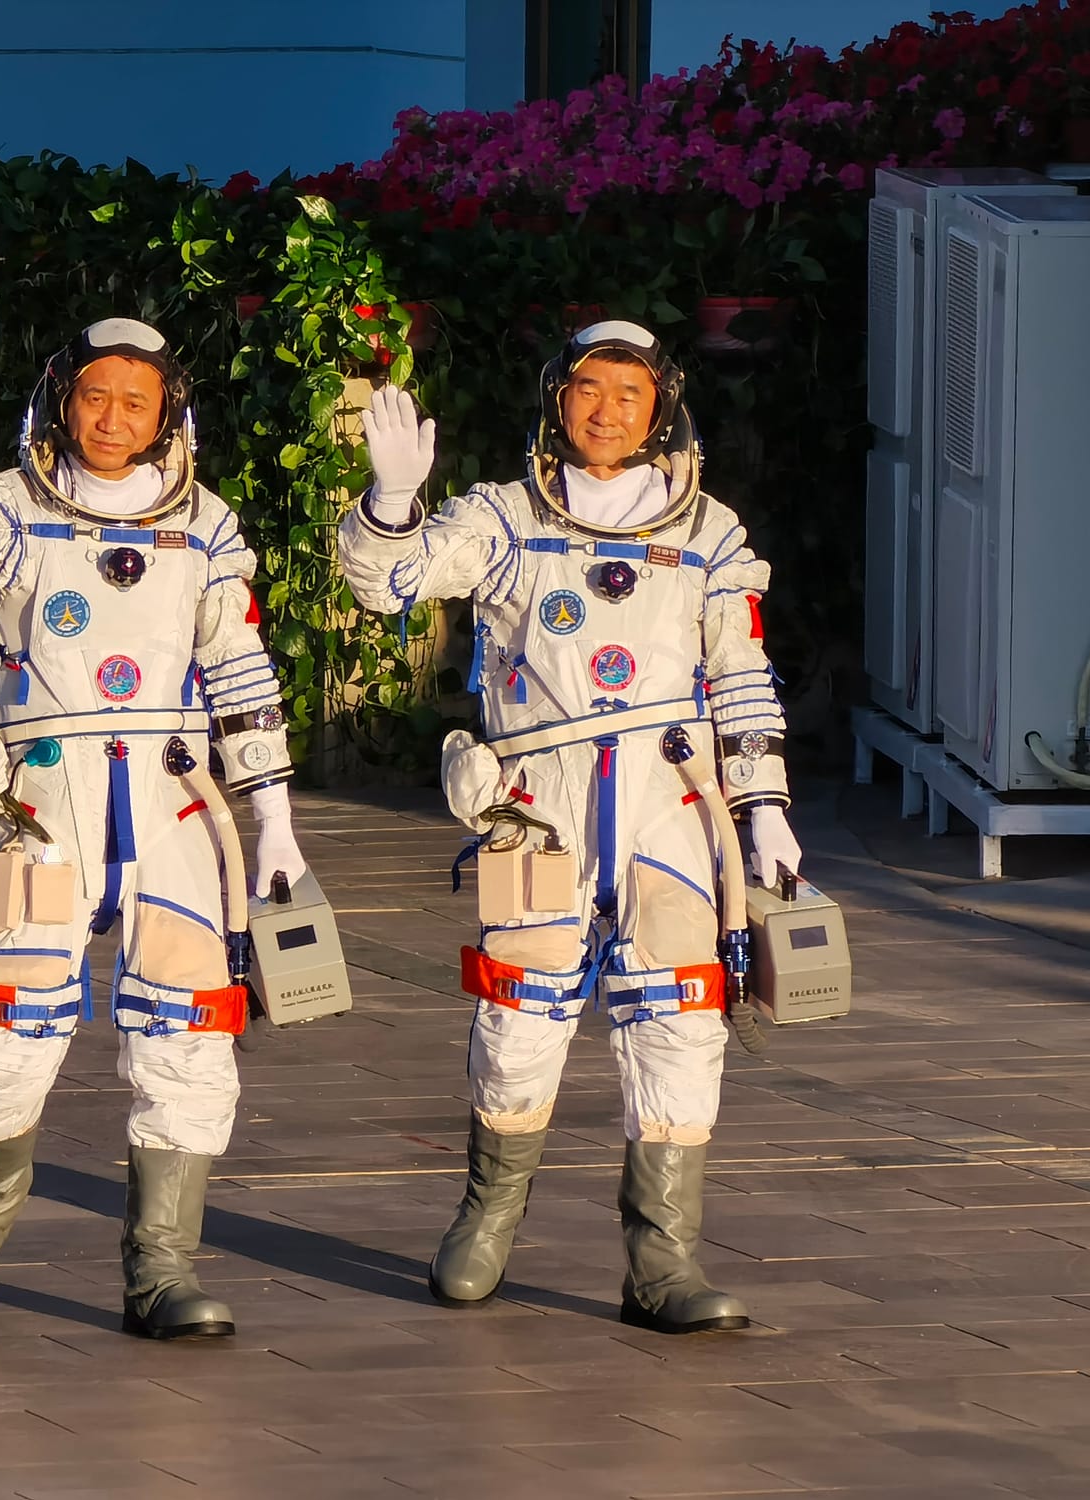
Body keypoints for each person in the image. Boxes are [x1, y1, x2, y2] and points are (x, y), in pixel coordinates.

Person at [337, 320, 803, 1335]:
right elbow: (390, 585)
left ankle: (662, 1259)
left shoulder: (707, 531)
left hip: (669, 806)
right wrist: (387, 506)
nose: (605, 412)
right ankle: (485, 1217)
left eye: (628, 396)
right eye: (587, 389)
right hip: (536, 804)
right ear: (556, 398)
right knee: (519, 1014)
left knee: (679, 1019)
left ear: (660, 409)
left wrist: (761, 805)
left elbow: (738, 673)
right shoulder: (501, 519)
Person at [0, 318, 305, 1339]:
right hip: (39, 808)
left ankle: (160, 1268)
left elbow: (239, 672)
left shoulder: (205, 525)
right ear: (60, 399)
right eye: (94, 396)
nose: (111, 419)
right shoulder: (3, 510)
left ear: (166, 416)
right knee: (9, 1024)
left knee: (189, 1034)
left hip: (174, 803)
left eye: (134, 403)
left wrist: (271, 817)